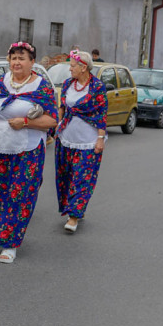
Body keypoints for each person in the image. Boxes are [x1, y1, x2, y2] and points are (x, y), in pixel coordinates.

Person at [0, 42, 57, 263]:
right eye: (13, 58)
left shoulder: (41, 87)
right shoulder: (0, 83)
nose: (16, 62)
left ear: (32, 62)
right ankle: (1, 232)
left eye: (22, 58)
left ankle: (10, 243)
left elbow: (52, 119)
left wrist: (26, 122)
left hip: (27, 152)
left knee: (19, 195)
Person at [55, 50, 108, 233]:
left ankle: (74, 216)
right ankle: (76, 207)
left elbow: (102, 114)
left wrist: (100, 139)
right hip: (66, 139)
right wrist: (58, 125)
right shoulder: (68, 83)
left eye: (72, 65)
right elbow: (62, 107)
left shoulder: (97, 87)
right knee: (67, 176)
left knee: (82, 178)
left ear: (83, 67)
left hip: (88, 141)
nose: (69, 69)